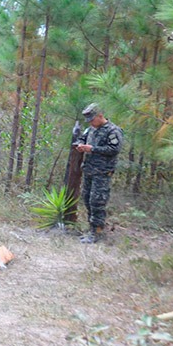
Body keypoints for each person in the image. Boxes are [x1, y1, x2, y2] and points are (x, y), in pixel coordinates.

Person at [75, 103, 123, 243]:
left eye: (92, 119)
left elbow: (114, 149)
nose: (90, 123)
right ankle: (92, 229)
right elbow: (82, 138)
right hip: (89, 170)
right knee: (87, 199)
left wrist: (93, 149)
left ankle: (97, 232)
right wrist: (80, 145)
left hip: (102, 172)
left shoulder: (113, 131)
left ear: (100, 115)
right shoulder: (91, 129)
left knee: (97, 201)